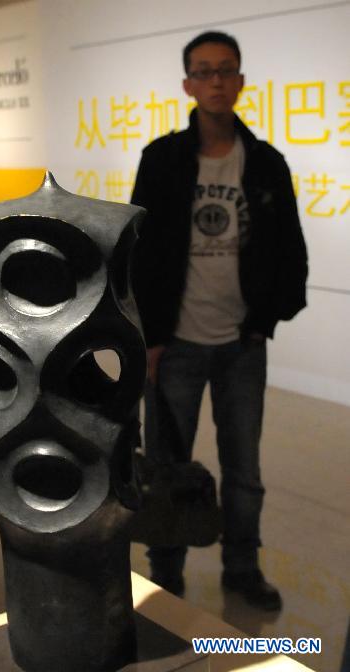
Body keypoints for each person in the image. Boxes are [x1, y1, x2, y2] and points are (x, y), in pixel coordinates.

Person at [131, 31, 308, 611]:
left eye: (224, 71)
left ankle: (241, 569)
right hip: (174, 344)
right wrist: (150, 338)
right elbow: (142, 251)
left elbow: (289, 251)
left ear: (239, 82)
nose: (214, 81)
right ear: (187, 84)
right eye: (202, 71)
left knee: (244, 472)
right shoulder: (161, 159)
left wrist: (265, 321)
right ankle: (165, 576)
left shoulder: (265, 164)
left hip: (240, 346)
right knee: (165, 469)